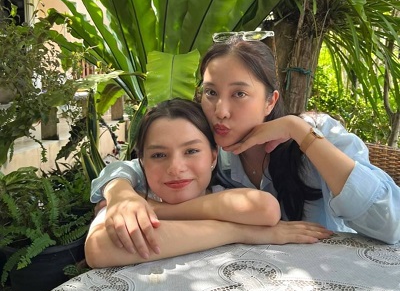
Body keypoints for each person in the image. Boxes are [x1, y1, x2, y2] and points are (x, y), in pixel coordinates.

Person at [91, 33, 400, 259]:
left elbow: (391, 225)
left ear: (270, 101)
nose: (221, 111)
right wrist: (119, 193)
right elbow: (140, 166)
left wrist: (299, 131)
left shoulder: (317, 137)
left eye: (239, 94)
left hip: (338, 271)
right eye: (211, 93)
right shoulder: (209, 148)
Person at [85, 98, 284, 267]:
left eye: (191, 151)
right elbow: (99, 248)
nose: (175, 168)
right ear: (142, 162)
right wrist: (240, 232)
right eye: (159, 155)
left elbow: (266, 208)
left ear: (213, 156)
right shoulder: (132, 202)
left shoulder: (222, 195)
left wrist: (156, 209)